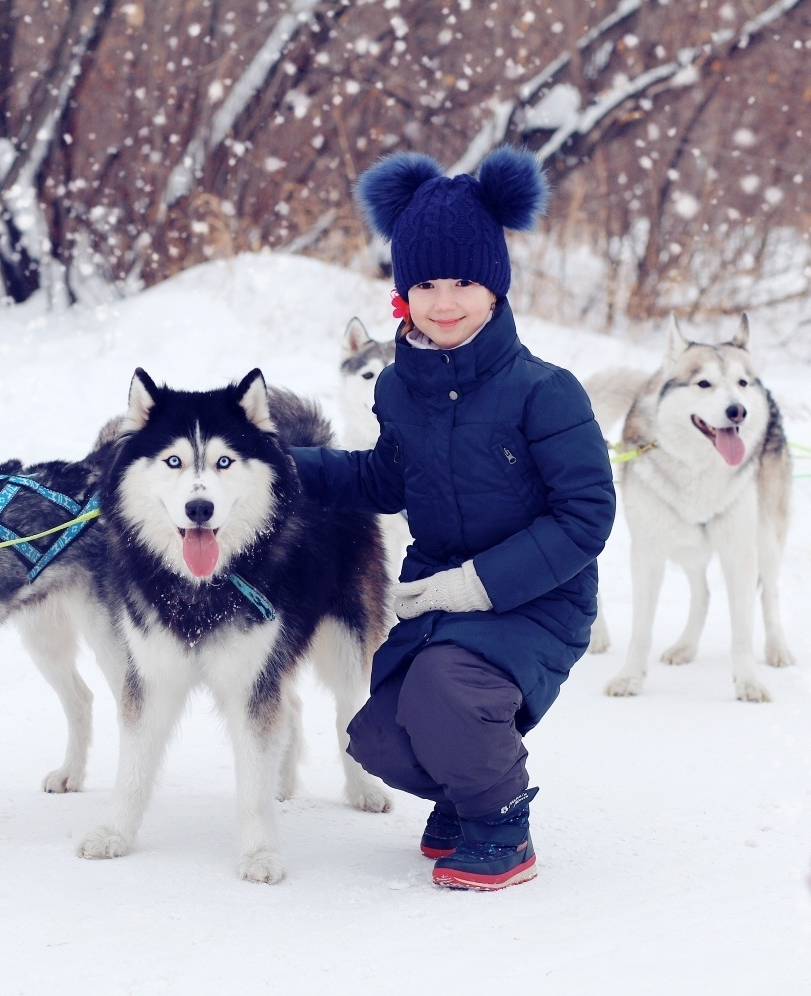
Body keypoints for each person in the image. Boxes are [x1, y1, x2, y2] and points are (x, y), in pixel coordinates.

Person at [291, 147, 616, 890]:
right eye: (425, 283)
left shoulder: (546, 391)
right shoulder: (402, 391)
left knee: (445, 688)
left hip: (539, 598)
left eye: (464, 281)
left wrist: (475, 586)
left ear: (495, 288)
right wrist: (285, 467)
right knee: (380, 729)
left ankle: (502, 825)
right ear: (403, 292)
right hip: (436, 595)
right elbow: (383, 477)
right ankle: (465, 796)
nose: (444, 301)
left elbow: (587, 516)